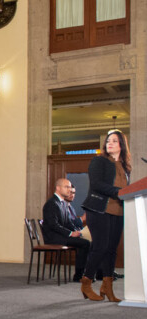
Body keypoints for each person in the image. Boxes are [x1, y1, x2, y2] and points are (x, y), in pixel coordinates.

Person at [80, 129, 131, 302]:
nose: (110, 143)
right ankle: (86, 283)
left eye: (115, 141)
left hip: (118, 212)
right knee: (100, 247)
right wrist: (120, 191)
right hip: (99, 210)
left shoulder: (125, 167)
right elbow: (96, 184)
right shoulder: (99, 161)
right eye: (108, 140)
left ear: (122, 145)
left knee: (111, 251)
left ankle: (107, 287)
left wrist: (128, 192)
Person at [41, 178, 90, 282]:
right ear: (58, 188)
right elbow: (53, 225)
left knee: (87, 241)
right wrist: (71, 233)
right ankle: (79, 276)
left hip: (61, 236)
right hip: (54, 238)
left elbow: (68, 222)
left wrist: (78, 233)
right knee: (85, 244)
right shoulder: (52, 203)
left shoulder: (62, 203)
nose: (69, 189)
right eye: (66, 187)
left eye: (69, 187)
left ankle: (85, 274)